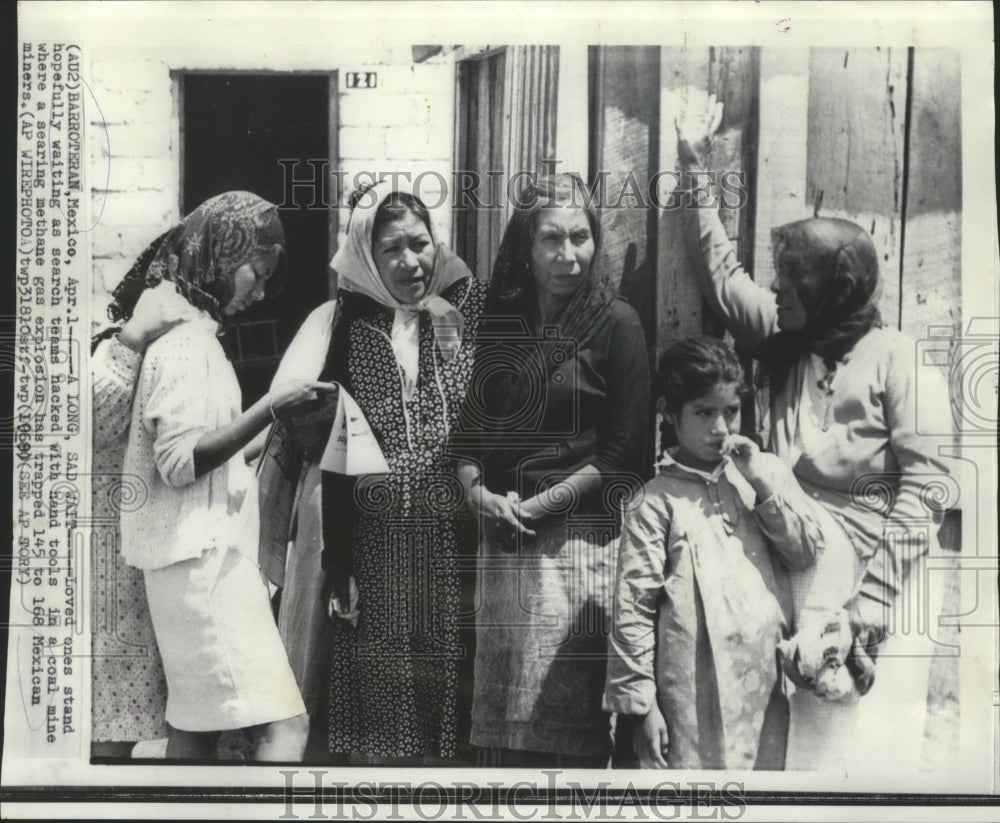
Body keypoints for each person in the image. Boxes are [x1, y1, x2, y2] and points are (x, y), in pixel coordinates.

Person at [677, 96, 955, 773]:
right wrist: (693, 163)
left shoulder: (895, 356)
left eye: (793, 275)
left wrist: (872, 599)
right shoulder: (784, 337)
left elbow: (930, 484)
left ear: (835, 283)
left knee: (867, 751)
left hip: (889, 572)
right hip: (802, 562)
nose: (777, 285)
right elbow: (720, 272)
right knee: (806, 748)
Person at [266, 180, 487, 763]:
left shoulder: (470, 315)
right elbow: (342, 452)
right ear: (368, 254)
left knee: (454, 686)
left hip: (457, 538)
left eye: (420, 243)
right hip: (379, 541)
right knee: (382, 693)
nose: (411, 261)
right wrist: (340, 563)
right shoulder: (353, 327)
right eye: (392, 249)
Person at [119, 191, 331, 760]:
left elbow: (204, 457)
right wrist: (272, 405)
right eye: (255, 274)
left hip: (187, 562)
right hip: (203, 568)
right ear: (217, 254)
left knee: (197, 727)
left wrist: (273, 429)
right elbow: (181, 462)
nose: (259, 293)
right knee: (284, 727)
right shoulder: (187, 346)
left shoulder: (193, 338)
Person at [455, 173, 651, 767]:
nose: (569, 256)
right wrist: (476, 494)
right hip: (502, 545)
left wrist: (535, 509)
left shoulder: (618, 325)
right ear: (525, 247)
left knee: (565, 730)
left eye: (581, 237)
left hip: (574, 550)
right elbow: (466, 434)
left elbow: (624, 456)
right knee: (503, 734)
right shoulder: (502, 322)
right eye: (551, 239)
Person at [604, 336, 822, 769]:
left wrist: (761, 485)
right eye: (704, 413)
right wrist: (642, 706)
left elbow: (805, 552)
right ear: (668, 411)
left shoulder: (762, 475)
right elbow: (632, 610)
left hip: (763, 683)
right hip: (688, 688)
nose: (721, 428)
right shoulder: (655, 501)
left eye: (731, 412)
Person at [91, 274, 198, 758]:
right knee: (105, 731)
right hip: (102, 559)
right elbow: (96, 418)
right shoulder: (116, 344)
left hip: (138, 551)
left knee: (125, 725)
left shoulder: (183, 344)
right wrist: (133, 336)